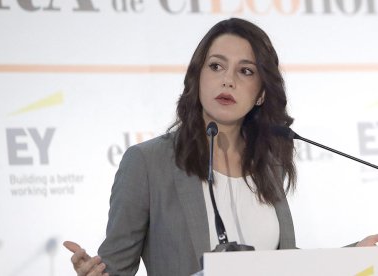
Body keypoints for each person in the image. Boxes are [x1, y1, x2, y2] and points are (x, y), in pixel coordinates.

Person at [64, 18, 378, 276]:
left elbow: (279, 264)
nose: (228, 80)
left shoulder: (269, 163)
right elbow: (117, 268)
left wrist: (354, 255)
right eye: (216, 66)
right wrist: (95, 274)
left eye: (246, 71)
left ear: (261, 93)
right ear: (196, 77)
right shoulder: (147, 163)